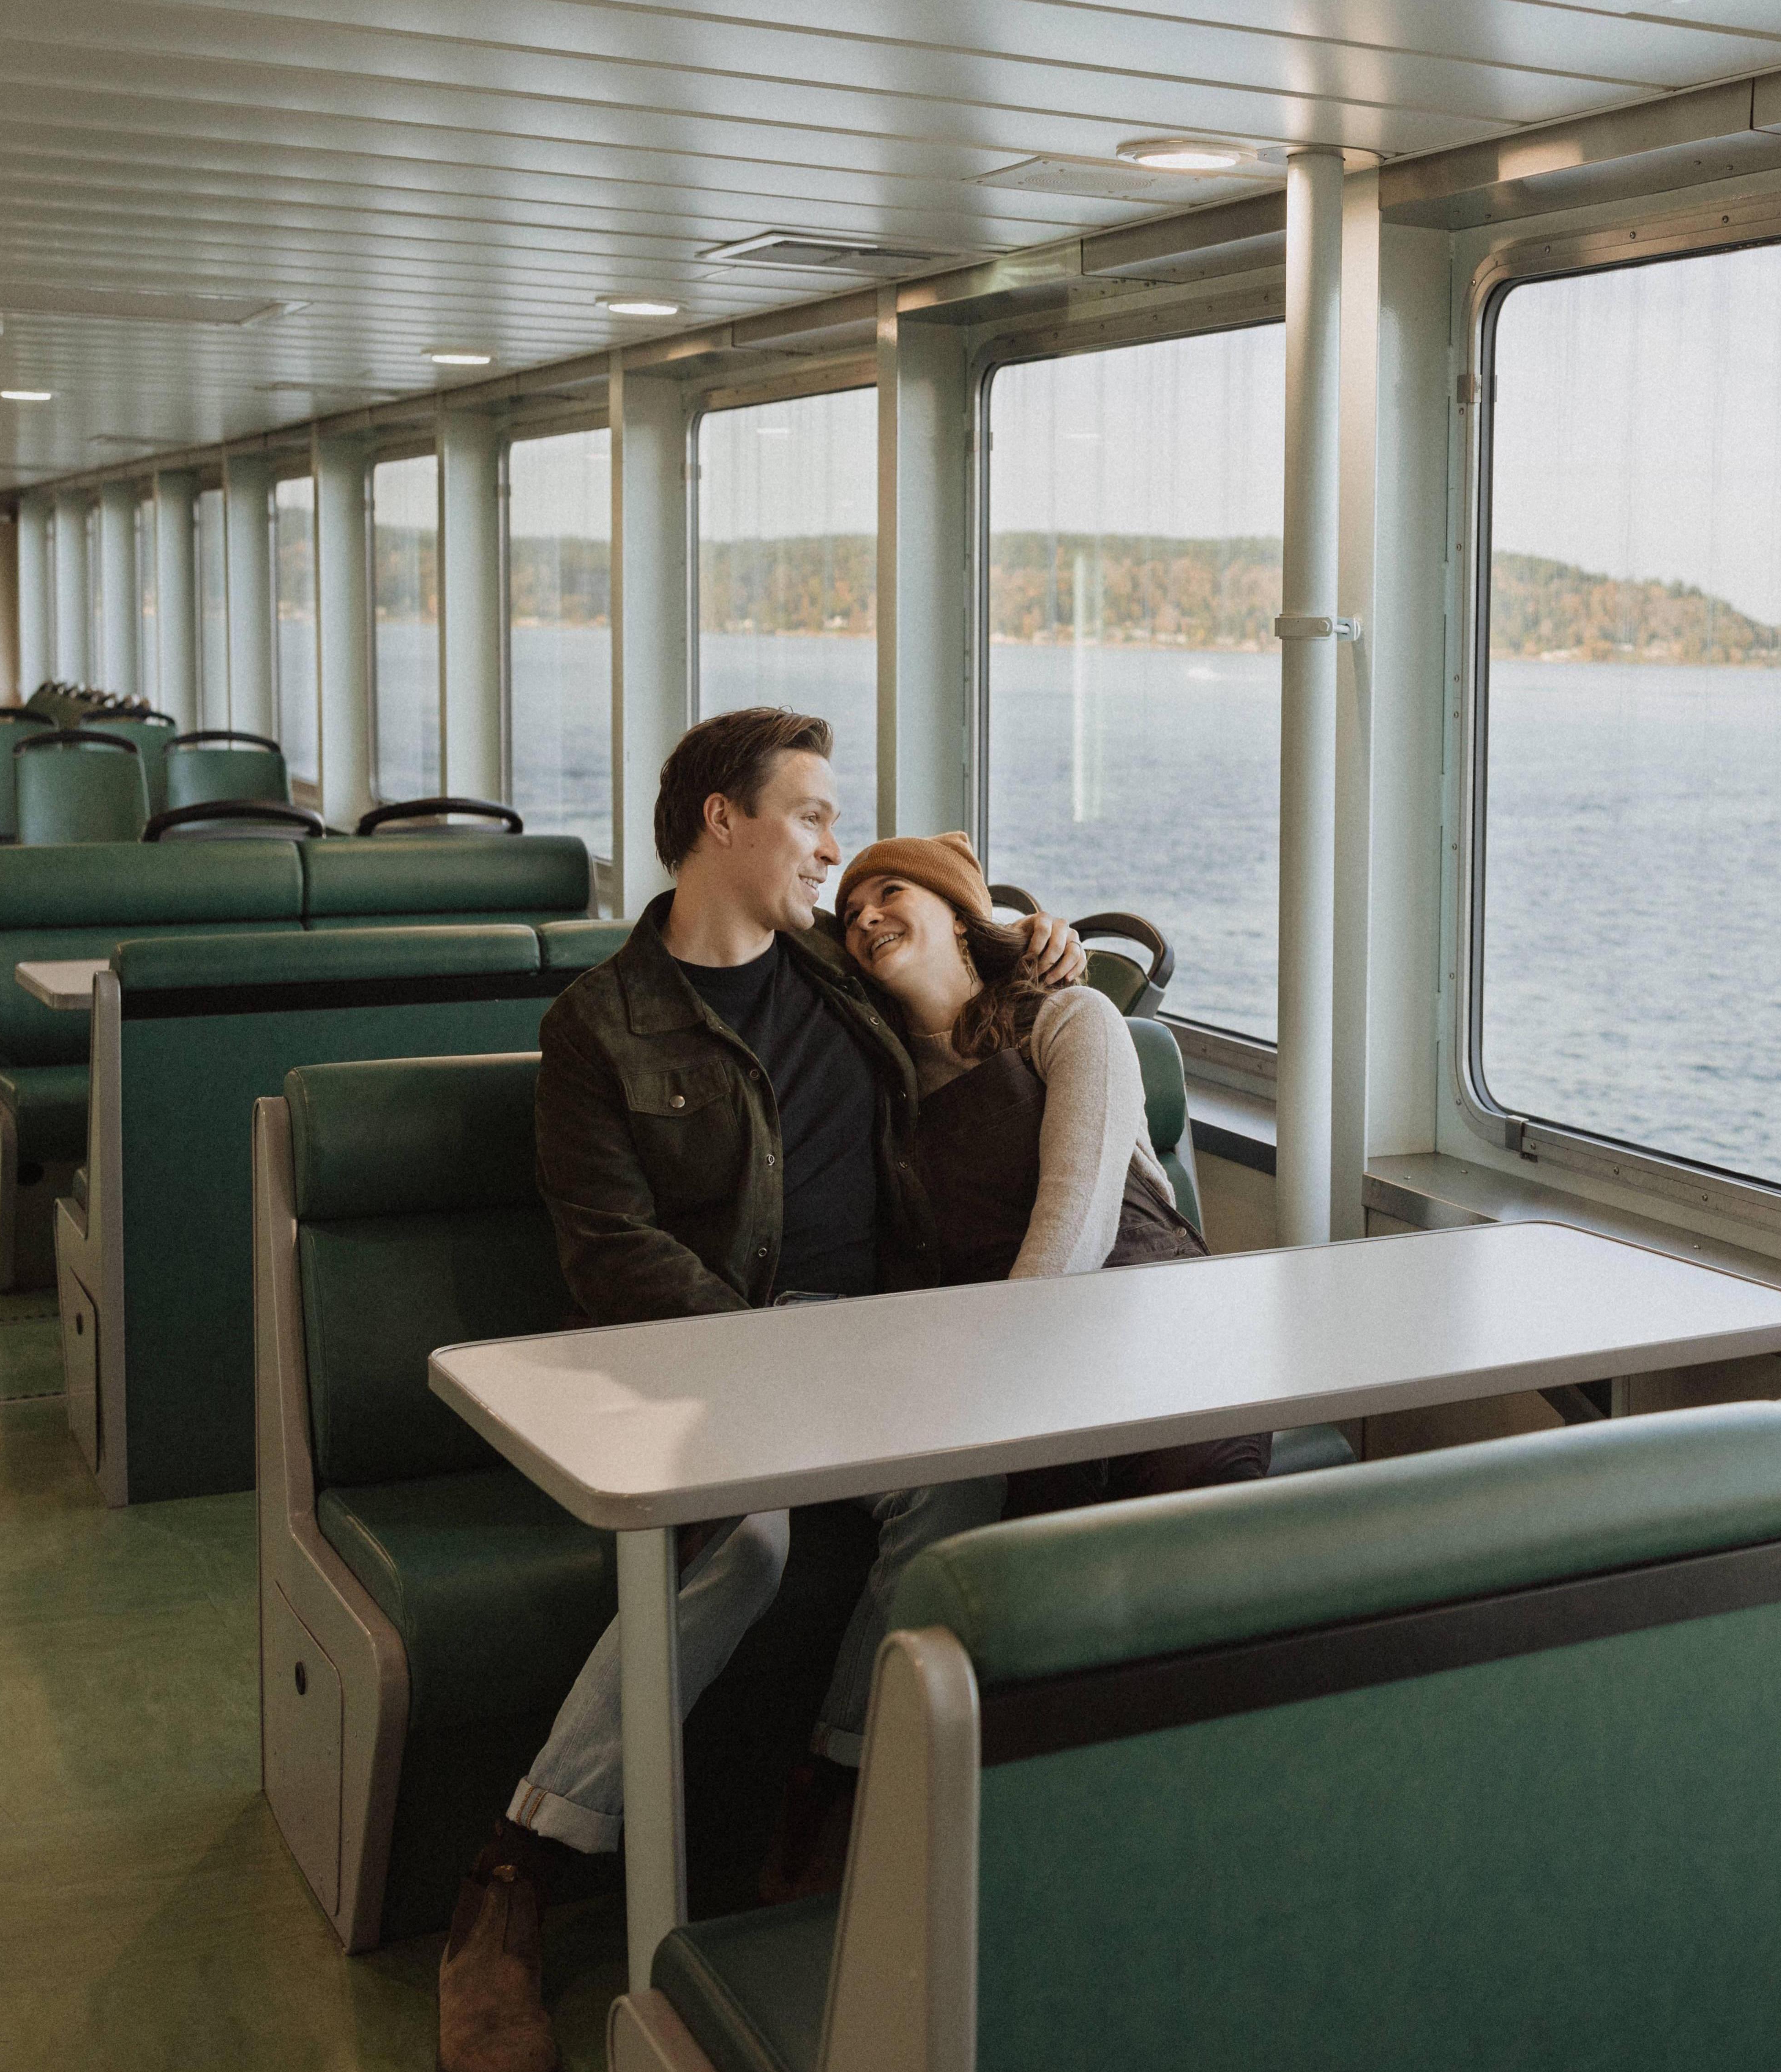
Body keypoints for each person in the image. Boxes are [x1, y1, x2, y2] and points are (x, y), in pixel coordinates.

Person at [437, 709, 1083, 2072]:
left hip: (876, 1340)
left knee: (961, 1482)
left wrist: (1039, 941)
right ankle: (517, 1867)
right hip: (691, 1350)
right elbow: (609, 1251)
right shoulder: (597, 1026)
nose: (834, 850)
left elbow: (968, 972)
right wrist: (767, 1365)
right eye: (811, 816)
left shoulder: (841, 977)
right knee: (754, 1541)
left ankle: (830, 1798)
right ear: (720, 821)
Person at [749, 834, 1271, 1897]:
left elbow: (1079, 1216)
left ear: (960, 915)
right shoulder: (875, 1090)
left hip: (1147, 1321)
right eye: (852, 909)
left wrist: (999, 1379)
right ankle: (1005, 1838)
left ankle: (1203, 1822)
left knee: (1183, 1522)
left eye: (892, 891)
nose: (866, 915)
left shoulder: (1070, 1020)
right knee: (1019, 1580)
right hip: (1014, 1367)